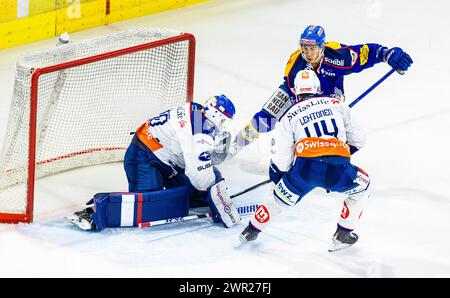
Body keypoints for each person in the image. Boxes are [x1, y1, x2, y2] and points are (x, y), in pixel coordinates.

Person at [230, 24, 413, 156]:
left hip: (330, 93)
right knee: (265, 118)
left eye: (312, 48)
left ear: (322, 46)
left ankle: (332, 157)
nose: (308, 53)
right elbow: (299, 106)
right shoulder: (295, 67)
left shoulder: (338, 55)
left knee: (334, 128)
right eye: (304, 48)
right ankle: (237, 145)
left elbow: (367, 53)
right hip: (295, 92)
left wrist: (388, 55)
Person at [65, 95, 241, 231]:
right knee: (149, 207)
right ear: (215, 114)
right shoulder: (197, 131)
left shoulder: (199, 113)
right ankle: (96, 213)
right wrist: (219, 198)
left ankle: (178, 197)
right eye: (223, 120)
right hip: (144, 158)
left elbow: (201, 156)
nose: (223, 125)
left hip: (169, 163)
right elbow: (199, 173)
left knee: (212, 179)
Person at [239, 70, 370, 252]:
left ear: (295, 91)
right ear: (318, 87)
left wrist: (281, 178)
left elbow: (282, 159)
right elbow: (359, 139)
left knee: (279, 200)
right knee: (363, 187)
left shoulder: (289, 115)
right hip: (337, 169)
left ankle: (250, 230)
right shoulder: (336, 104)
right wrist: (341, 153)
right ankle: (343, 234)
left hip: (304, 171)